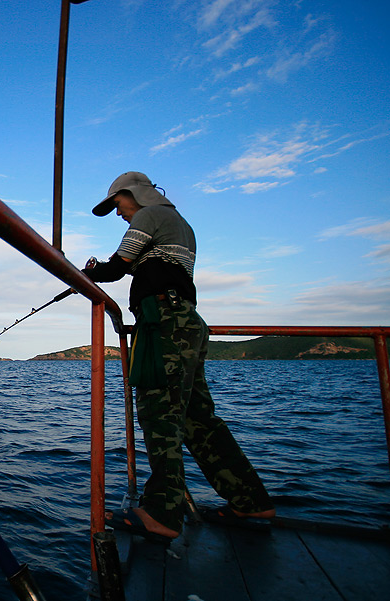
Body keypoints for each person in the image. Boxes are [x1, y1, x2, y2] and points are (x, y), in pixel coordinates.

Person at [83, 171, 274, 543]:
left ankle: (162, 512)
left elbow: (117, 266)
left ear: (132, 194)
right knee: (197, 419)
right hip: (185, 321)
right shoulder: (180, 225)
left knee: (159, 412)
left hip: (163, 322)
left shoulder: (149, 216)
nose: (120, 214)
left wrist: (87, 272)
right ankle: (250, 500)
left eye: (117, 205)